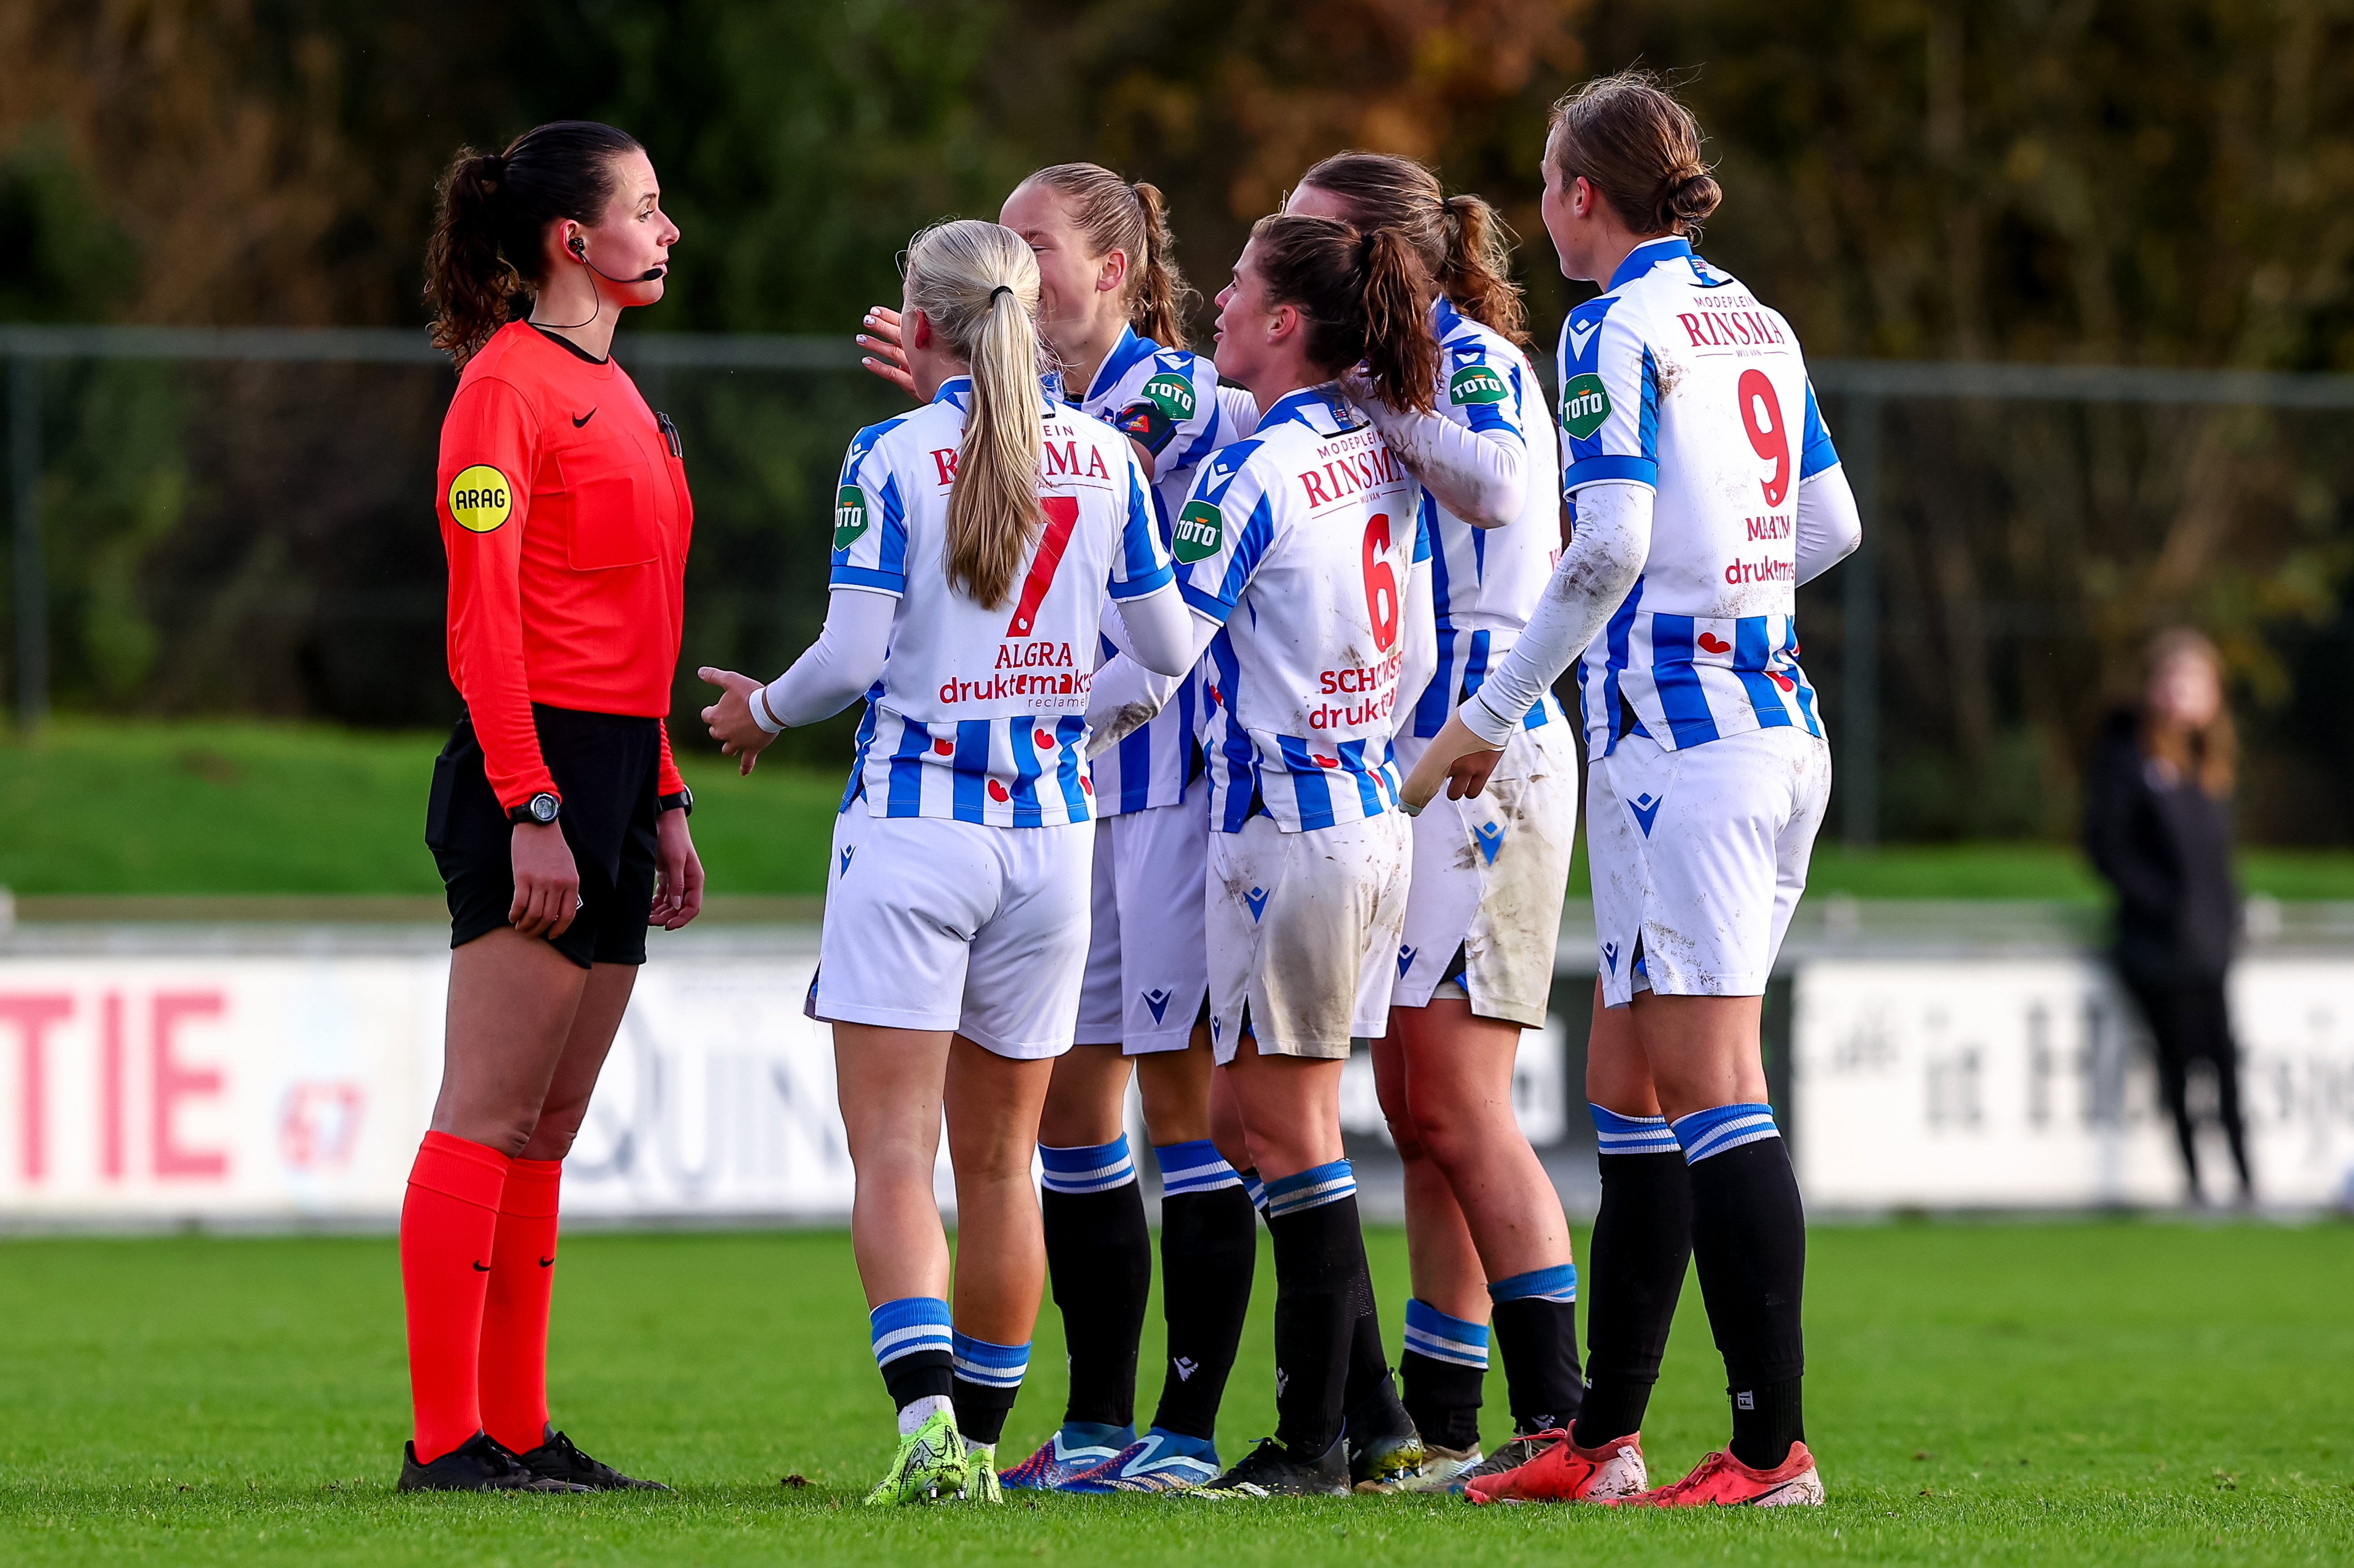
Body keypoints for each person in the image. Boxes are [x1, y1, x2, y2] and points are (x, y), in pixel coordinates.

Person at [1404, 72, 1860, 1508]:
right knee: (1630, 1077)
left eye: (1548, 183)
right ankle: (1602, 1437)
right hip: (1776, 722)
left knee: (1717, 1082)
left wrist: (1486, 711)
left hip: (1687, 748)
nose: (1541, 211)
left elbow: (1599, 548)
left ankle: (1770, 1446)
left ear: (1581, 197)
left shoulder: (1611, 326)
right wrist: (1727, 591)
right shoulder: (1757, 319)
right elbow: (1829, 524)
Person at [699, 218, 1193, 1506]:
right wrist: (1070, 716)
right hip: (1049, 840)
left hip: (914, 835)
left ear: (920, 325)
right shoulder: (1102, 454)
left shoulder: (889, 454)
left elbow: (852, 662)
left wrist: (760, 711)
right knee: (1000, 1163)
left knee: (895, 1153)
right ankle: (980, 1447)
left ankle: (925, 1435)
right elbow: (1167, 650)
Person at [852, 164, 1260, 1494]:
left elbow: (1168, 616)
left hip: (1168, 794)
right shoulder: (1051, 419)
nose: (1019, 273)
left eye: (1038, 247)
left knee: (1202, 1116)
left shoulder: (1184, 403)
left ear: (1116, 273)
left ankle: (1238, 1427)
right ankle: (1091, 1424)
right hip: (1064, 804)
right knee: (1064, 1129)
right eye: (1006, 253)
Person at [1090, 209, 1439, 1496]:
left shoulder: (1259, 471)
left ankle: (1310, 1443)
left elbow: (1168, 648)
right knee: (1254, 1117)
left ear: (1285, 323)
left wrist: (1034, 713)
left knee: (1288, 1135)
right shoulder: (1377, 451)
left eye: (1236, 288)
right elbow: (1408, 650)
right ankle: (1377, 1417)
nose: (1217, 305)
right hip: (1362, 811)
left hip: (1282, 827)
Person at [405, 119, 702, 1494]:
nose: (668, 229)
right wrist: (529, 798)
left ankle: (518, 1430)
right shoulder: (502, 390)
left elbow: (637, 622)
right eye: (646, 209)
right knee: (485, 1108)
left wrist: (660, 796)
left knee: (553, 1123)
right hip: (527, 774)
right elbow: (486, 626)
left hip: (612, 773)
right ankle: (446, 1438)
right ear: (571, 240)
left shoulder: (627, 392)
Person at [1285, 151, 1585, 1493]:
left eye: (1310, 240)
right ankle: (1452, 1416)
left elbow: (1505, 489)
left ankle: (1572, 1418)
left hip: (1491, 758)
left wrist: (1374, 400)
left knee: (1459, 1102)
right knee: (1415, 1102)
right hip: (1422, 764)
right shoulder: (1376, 377)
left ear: (1374, 254)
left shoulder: (1461, 358)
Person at [2084, 629, 2254, 1205]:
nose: (2184, 692)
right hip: (2158, 949)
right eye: (2174, 678)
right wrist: (2163, 904)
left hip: (2210, 945)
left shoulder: (2212, 766)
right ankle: (2198, 1186)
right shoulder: (2127, 756)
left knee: (2227, 1066)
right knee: (2180, 1066)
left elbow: (2217, 864)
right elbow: (2108, 848)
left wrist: (2229, 916)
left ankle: (2248, 1185)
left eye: (2197, 681)